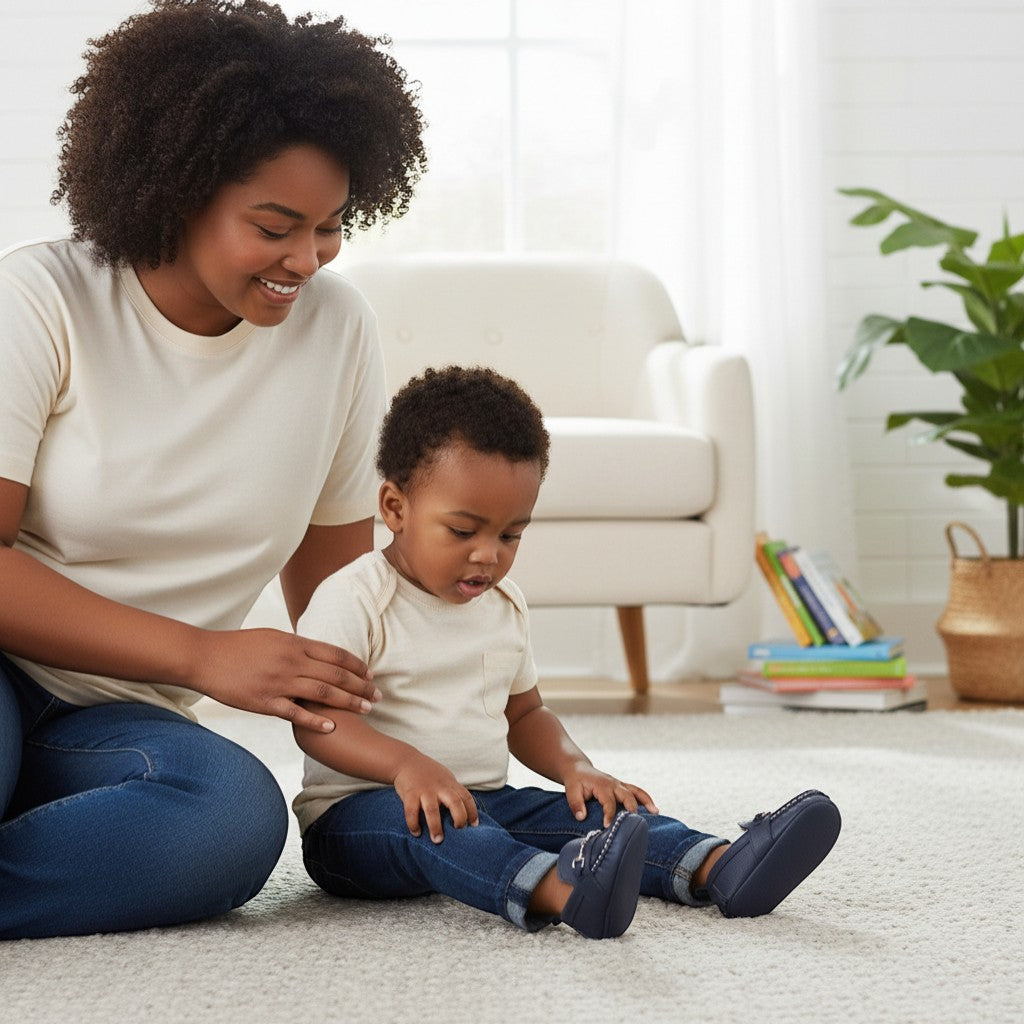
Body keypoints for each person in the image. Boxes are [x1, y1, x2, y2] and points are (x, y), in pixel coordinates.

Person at [0, 0, 427, 940]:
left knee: (230, 819)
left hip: (115, 721)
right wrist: (203, 655)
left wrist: (409, 756)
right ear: (178, 190)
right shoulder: (41, 297)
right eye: (275, 226)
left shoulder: (336, 330)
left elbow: (338, 596)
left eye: (331, 226)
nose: (305, 260)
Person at [292, 366, 842, 939]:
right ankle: (566, 892)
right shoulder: (355, 598)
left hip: (485, 801)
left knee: (593, 815)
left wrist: (577, 768)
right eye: (463, 531)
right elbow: (318, 723)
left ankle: (717, 865)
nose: (489, 555)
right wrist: (407, 767)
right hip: (360, 819)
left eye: (510, 535)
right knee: (443, 829)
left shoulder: (504, 604)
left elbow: (525, 714)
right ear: (395, 508)